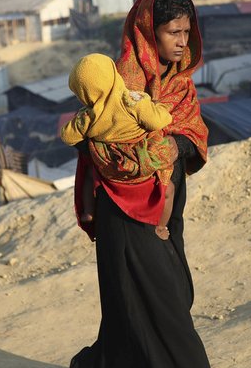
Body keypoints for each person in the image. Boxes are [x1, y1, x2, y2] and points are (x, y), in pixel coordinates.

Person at [69, 0, 219, 368]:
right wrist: (135, 158)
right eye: (173, 31)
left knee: (169, 291)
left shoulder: (180, 84)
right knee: (160, 297)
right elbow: (92, 140)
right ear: (147, 32)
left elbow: (195, 135)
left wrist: (174, 145)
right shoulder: (116, 83)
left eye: (187, 32)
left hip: (168, 205)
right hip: (125, 206)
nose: (182, 41)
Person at [59, 52, 178, 240]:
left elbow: (66, 136)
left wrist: (83, 118)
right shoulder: (132, 101)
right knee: (168, 189)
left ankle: (89, 210)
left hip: (110, 170)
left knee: (90, 174)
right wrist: (160, 108)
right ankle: (161, 227)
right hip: (142, 163)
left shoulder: (88, 117)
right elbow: (157, 122)